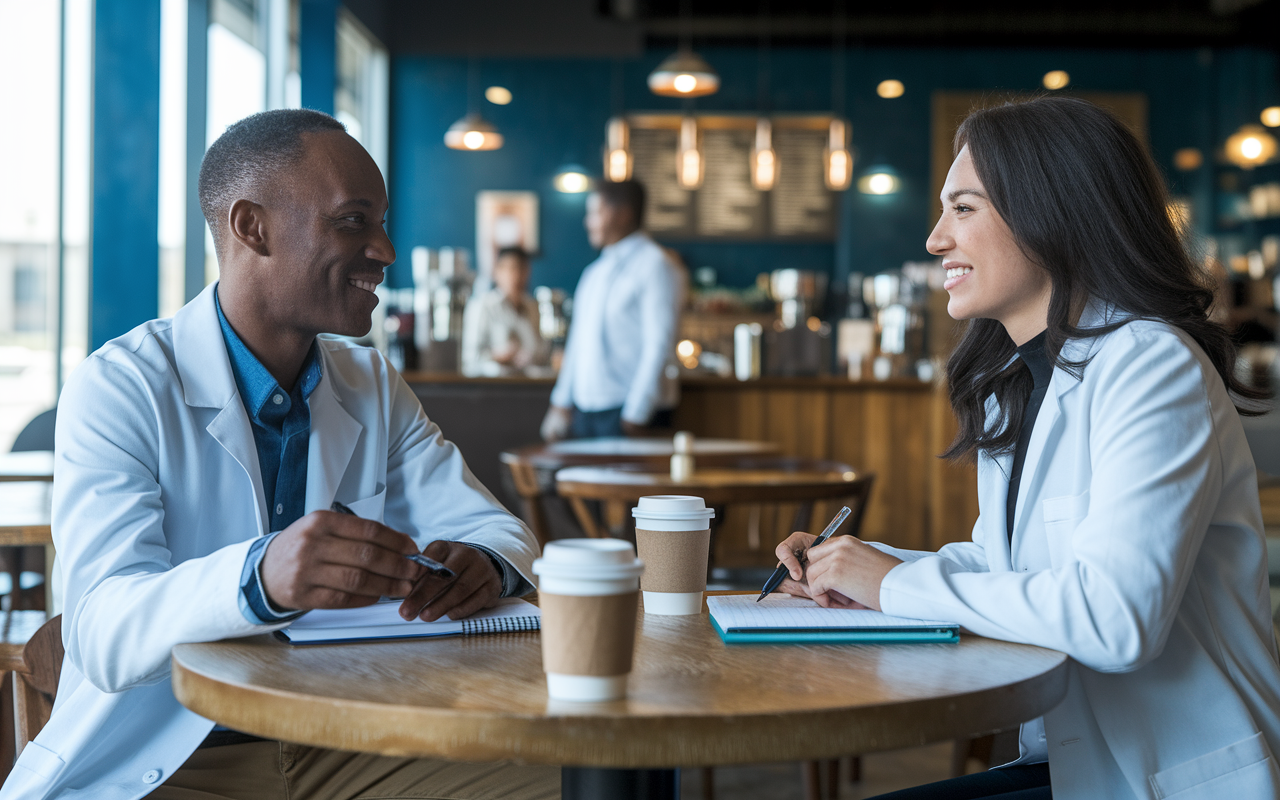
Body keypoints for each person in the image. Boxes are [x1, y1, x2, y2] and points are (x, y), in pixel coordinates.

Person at [3, 110, 556, 800]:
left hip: (342, 735)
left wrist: (488, 567)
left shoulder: (369, 381)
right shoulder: (120, 386)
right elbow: (103, 633)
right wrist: (261, 577)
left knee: (567, 781)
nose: (385, 250)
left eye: (383, 222)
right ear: (251, 227)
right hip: (174, 756)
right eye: (355, 221)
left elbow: (503, 531)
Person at [776, 97, 1280, 800]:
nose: (934, 240)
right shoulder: (1017, 380)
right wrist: (863, 572)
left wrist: (889, 584)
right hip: (1072, 762)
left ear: (1053, 212)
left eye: (963, 209)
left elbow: (1115, 620)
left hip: (1167, 778)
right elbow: (1011, 565)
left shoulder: (1151, 365)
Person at [540, 179, 681, 441]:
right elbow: (577, 342)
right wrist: (560, 403)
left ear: (623, 214)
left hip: (629, 413)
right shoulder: (594, 273)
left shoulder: (655, 265)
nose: (587, 222)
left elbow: (660, 344)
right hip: (586, 412)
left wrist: (636, 414)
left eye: (595, 212)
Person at [461, 246, 550, 377]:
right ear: (497, 271)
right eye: (509, 268)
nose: (515, 275)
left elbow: (543, 355)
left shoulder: (534, 308)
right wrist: (497, 357)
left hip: (531, 387)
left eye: (521, 269)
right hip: (495, 388)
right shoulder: (482, 306)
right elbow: (469, 361)